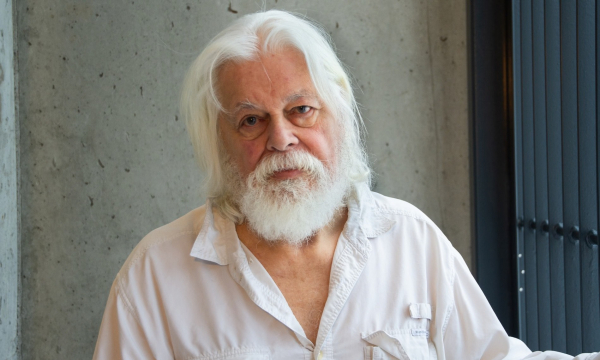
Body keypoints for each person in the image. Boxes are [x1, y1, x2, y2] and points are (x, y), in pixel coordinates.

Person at [92, 10, 599, 360]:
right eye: (251, 121)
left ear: (339, 117)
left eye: (301, 110)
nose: (282, 138)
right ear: (220, 140)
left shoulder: (410, 241)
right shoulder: (154, 276)